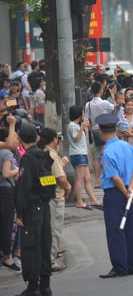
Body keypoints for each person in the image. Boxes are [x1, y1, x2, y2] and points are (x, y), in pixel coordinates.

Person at [14, 122, 56, 296]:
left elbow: (24, 188)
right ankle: (45, 285)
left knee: (31, 245)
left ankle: (33, 286)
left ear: (20, 139)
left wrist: (20, 212)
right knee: (45, 243)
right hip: (44, 205)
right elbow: (49, 181)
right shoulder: (43, 156)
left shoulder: (27, 159)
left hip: (32, 208)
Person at [97, 114, 133, 279]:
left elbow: (114, 177)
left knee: (116, 230)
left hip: (115, 194)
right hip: (129, 190)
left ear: (101, 133)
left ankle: (119, 266)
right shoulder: (127, 146)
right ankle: (132, 264)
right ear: (115, 130)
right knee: (130, 228)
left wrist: (124, 191)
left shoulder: (107, 152)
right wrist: (131, 188)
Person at [38, 128, 71, 273]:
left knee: (47, 229)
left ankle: (46, 259)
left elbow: (47, 178)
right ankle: (50, 261)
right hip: (56, 195)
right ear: (54, 140)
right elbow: (60, 178)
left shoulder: (40, 153)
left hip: (44, 195)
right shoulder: (52, 155)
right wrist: (68, 187)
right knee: (55, 230)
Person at [67, 106, 102, 210]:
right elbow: (77, 139)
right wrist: (82, 127)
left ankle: (93, 199)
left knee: (87, 178)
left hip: (82, 153)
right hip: (77, 154)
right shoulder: (72, 126)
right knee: (80, 179)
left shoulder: (77, 125)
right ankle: (79, 201)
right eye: (82, 113)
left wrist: (86, 126)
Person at [86, 81, 117, 188]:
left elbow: (87, 120)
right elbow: (115, 109)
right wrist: (113, 96)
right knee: (109, 153)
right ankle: (108, 177)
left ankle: (97, 180)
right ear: (101, 90)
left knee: (97, 156)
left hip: (95, 131)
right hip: (105, 129)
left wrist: (91, 130)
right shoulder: (104, 103)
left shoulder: (88, 104)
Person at [0, 124, 20, 272]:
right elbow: (6, 174)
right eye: (13, 136)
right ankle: (7, 257)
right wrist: (19, 169)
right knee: (7, 226)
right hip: (6, 193)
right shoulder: (6, 154)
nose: (16, 140)